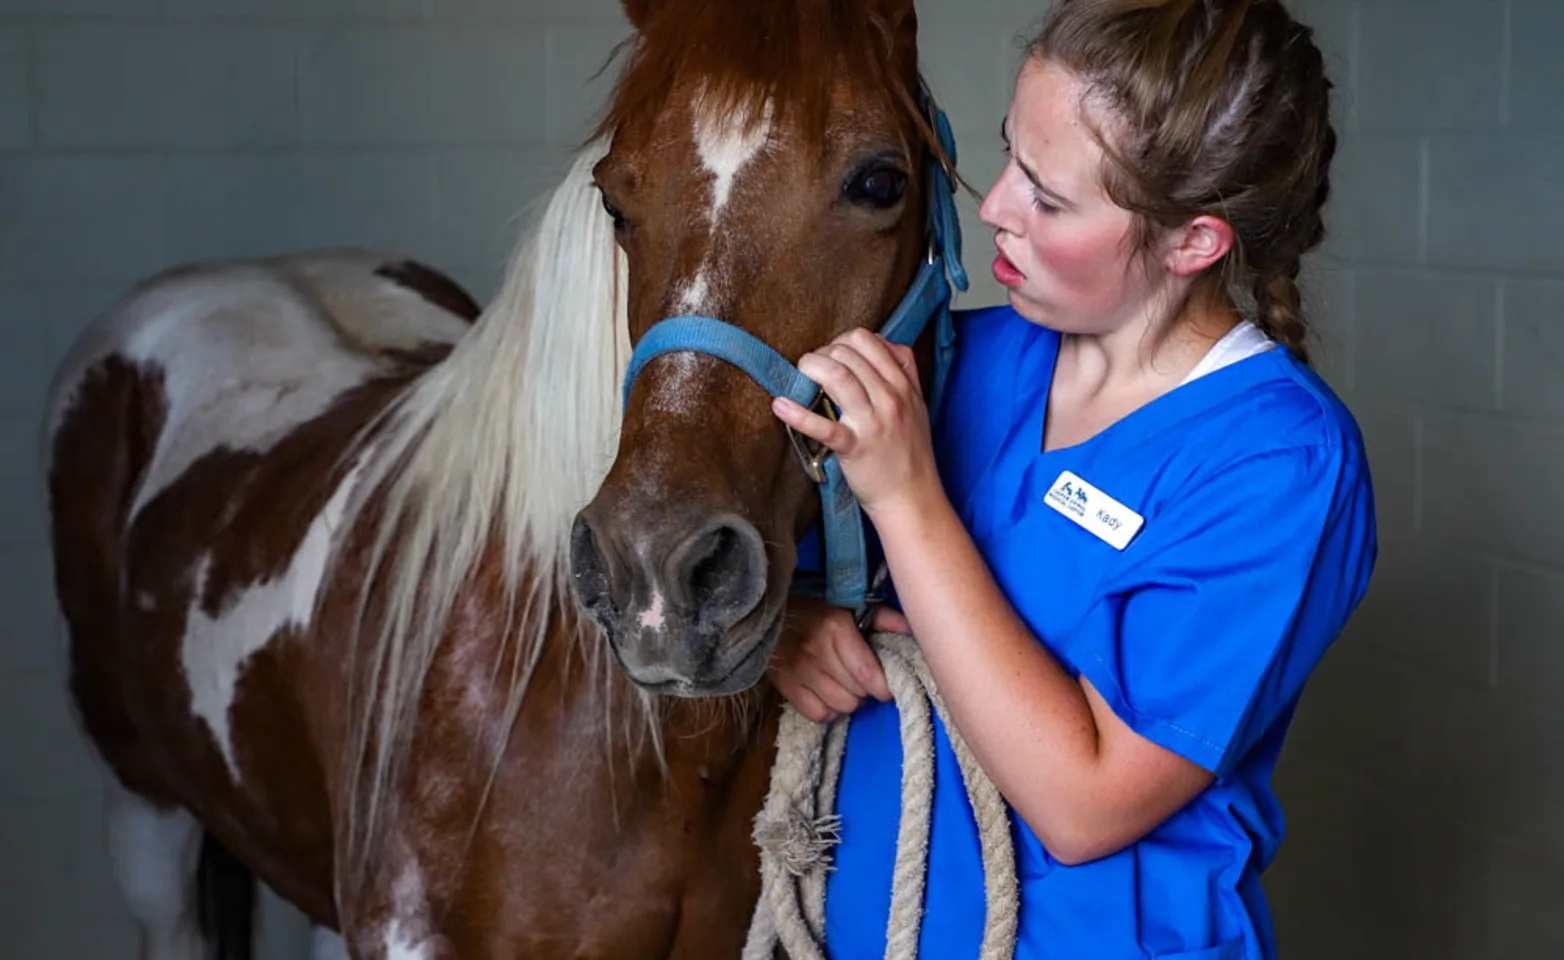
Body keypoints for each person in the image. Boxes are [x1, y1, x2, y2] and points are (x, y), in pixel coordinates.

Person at [766, 1, 1378, 957]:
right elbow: (750, 572)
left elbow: (1084, 803)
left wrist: (906, 497)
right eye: (1011, 154)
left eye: (1048, 200)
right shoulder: (953, 360)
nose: (996, 206)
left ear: (1193, 243)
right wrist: (787, 631)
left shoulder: (1278, 465)